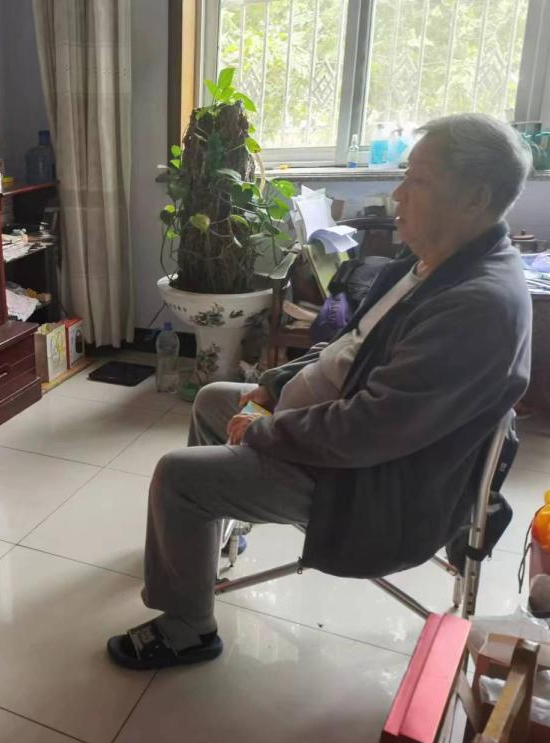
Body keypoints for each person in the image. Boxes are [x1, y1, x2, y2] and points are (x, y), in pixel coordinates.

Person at [108, 113, 534, 670]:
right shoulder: (427, 266)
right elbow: (344, 350)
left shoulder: (478, 306)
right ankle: (198, 548)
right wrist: (271, 387)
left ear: (475, 198)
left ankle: (189, 628)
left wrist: (267, 430)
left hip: (370, 483)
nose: (398, 194)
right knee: (215, 399)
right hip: (334, 438)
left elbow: (372, 429)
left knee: (179, 476)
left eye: (419, 180)